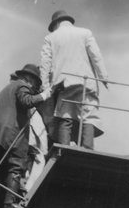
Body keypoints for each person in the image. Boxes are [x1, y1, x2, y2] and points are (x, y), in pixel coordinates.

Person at [0, 63, 49, 208]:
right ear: (30, 79)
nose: (34, 87)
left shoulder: (6, 89)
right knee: (16, 165)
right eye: (36, 83)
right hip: (11, 135)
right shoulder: (22, 86)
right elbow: (27, 101)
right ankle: (9, 204)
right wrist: (45, 95)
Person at [39, 9, 109, 149]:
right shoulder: (85, 33)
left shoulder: (50, 38)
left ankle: (64, 148)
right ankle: (87, 148)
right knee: (88, 116)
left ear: (56, 23)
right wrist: (104, 78)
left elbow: (44, 64)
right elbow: (96, 56)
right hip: (86, 82)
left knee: (65, 115)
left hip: (63, 84)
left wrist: (46, 87)